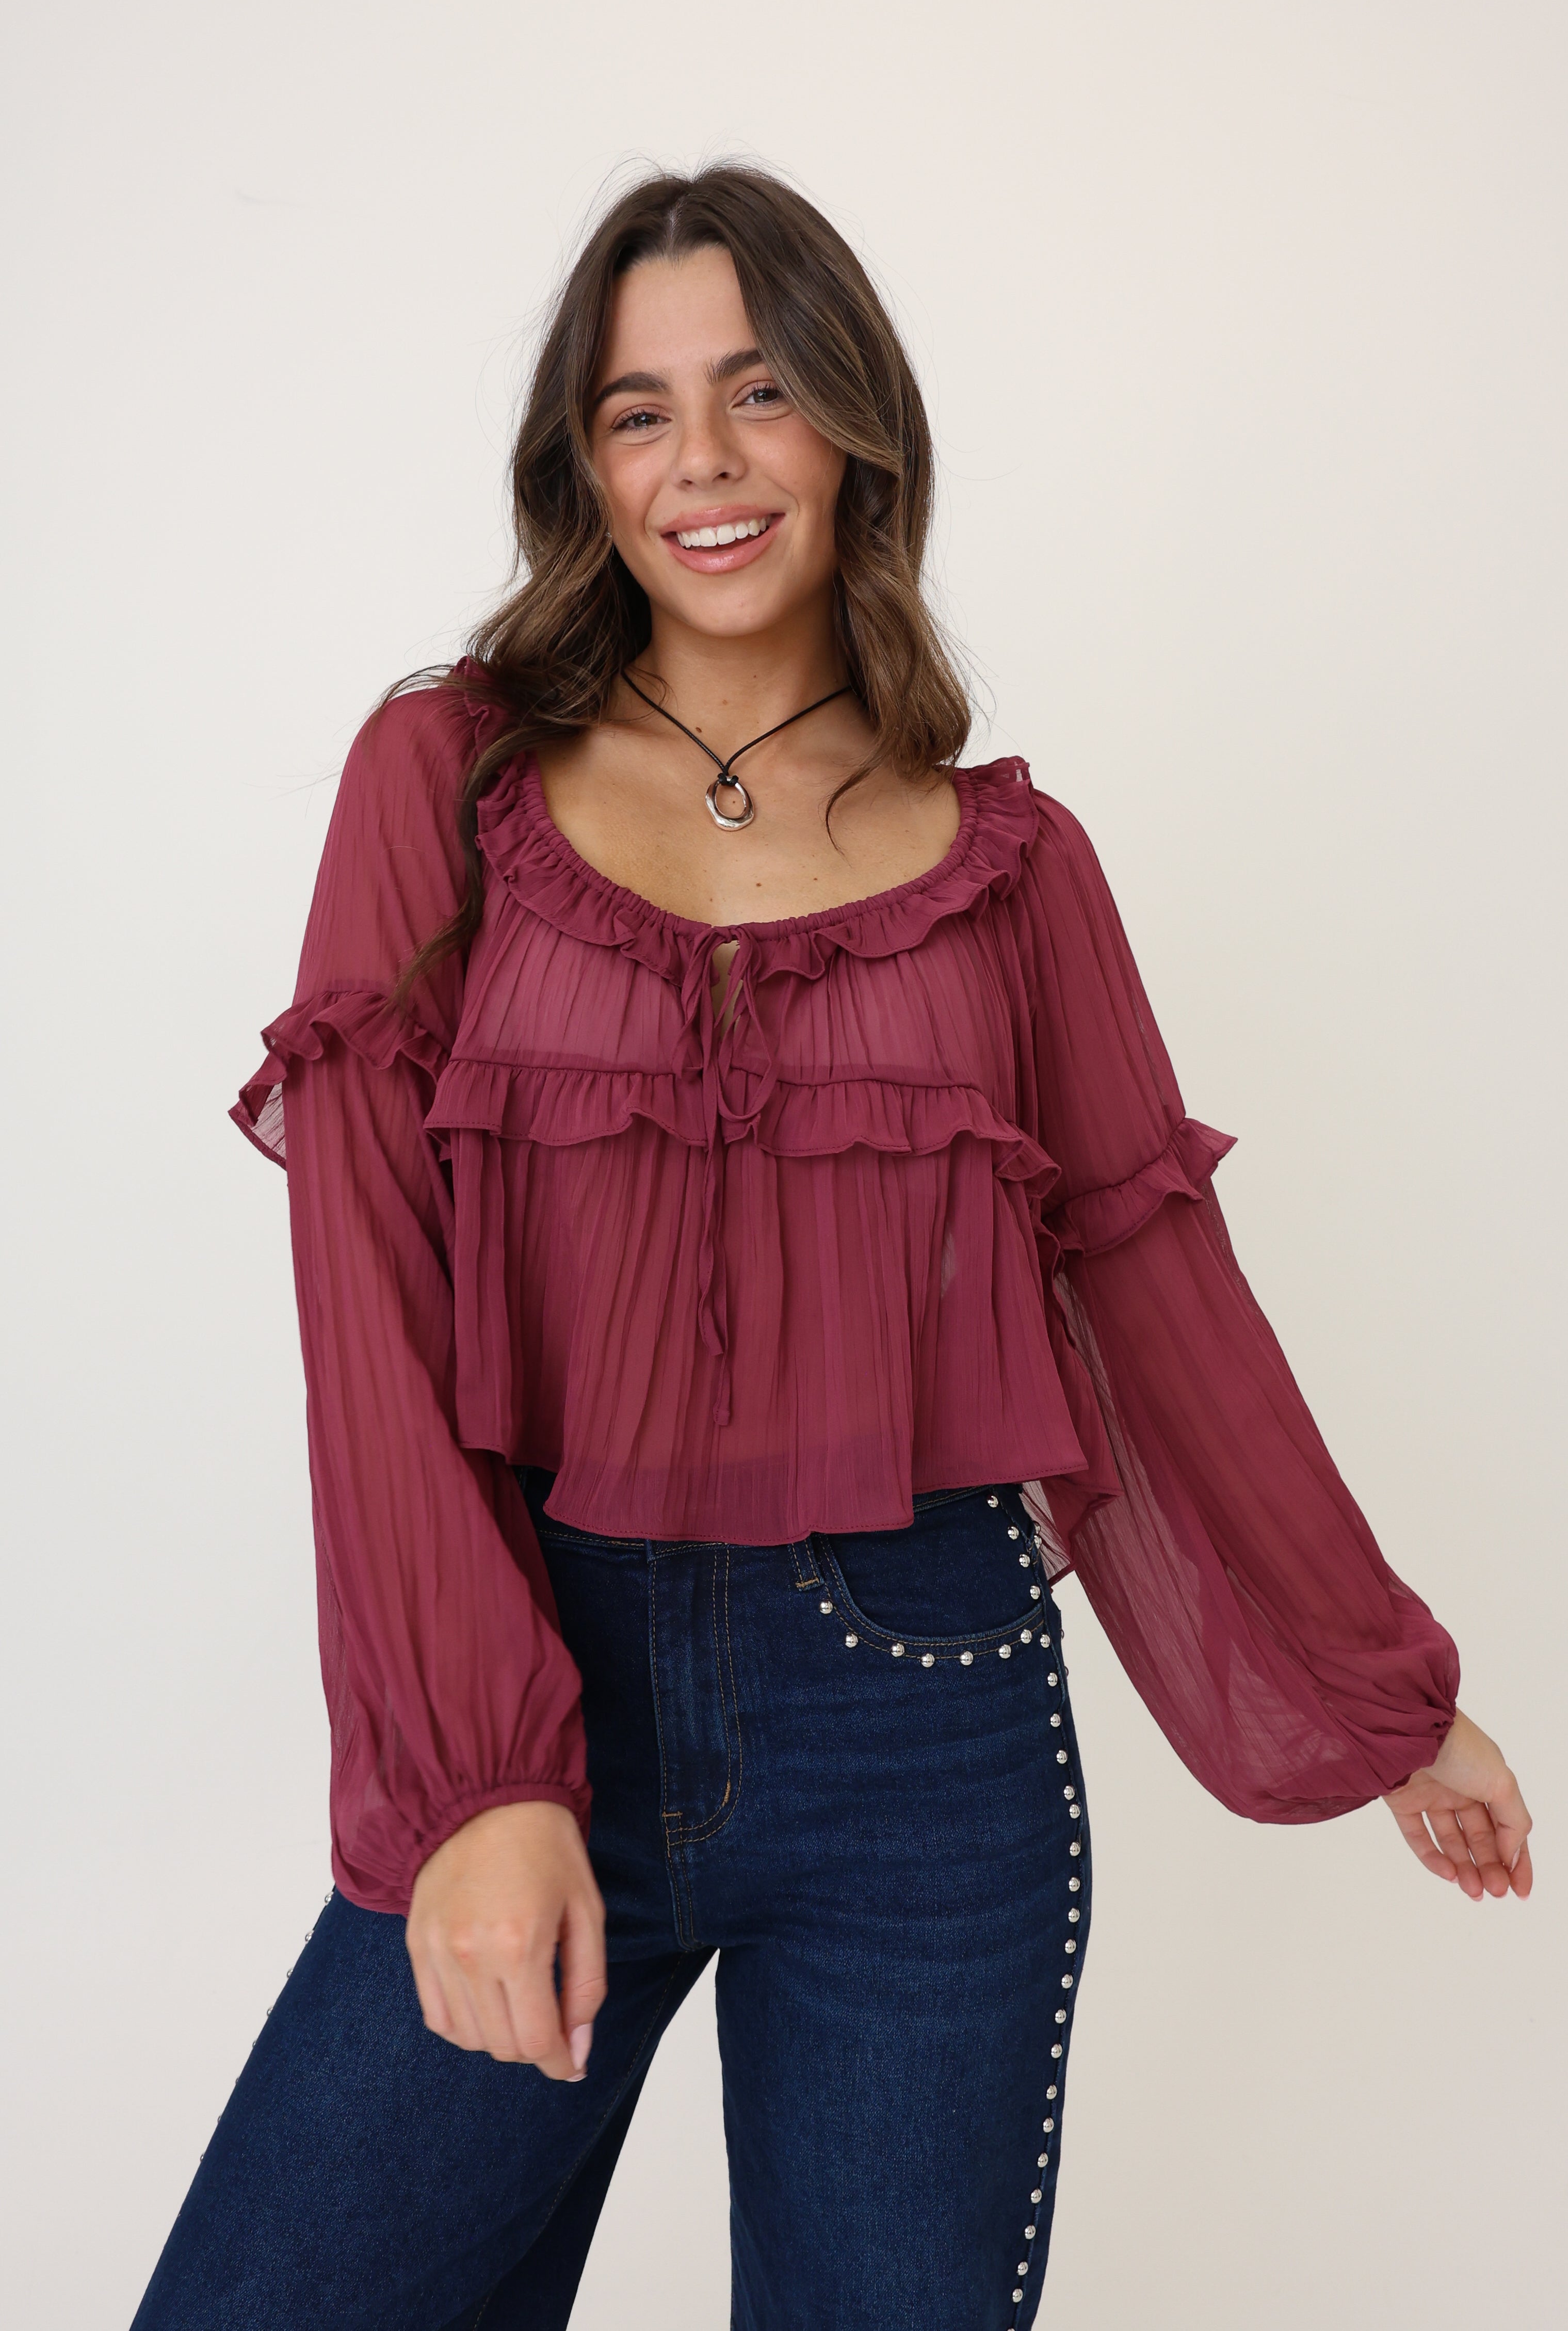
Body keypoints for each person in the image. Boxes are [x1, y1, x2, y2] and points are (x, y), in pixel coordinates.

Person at [134, 164, 1532, 2331]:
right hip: (545, 1679)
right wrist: (480, 1774)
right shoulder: (445, 781)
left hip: (926, 1723)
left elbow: (1157, 1299)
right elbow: (373, 1306)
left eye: (759, 391)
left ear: (856, 429)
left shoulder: (1013, 868)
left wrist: (1380, 1697)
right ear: (583, 467)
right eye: (638, 411)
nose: (701, 459)